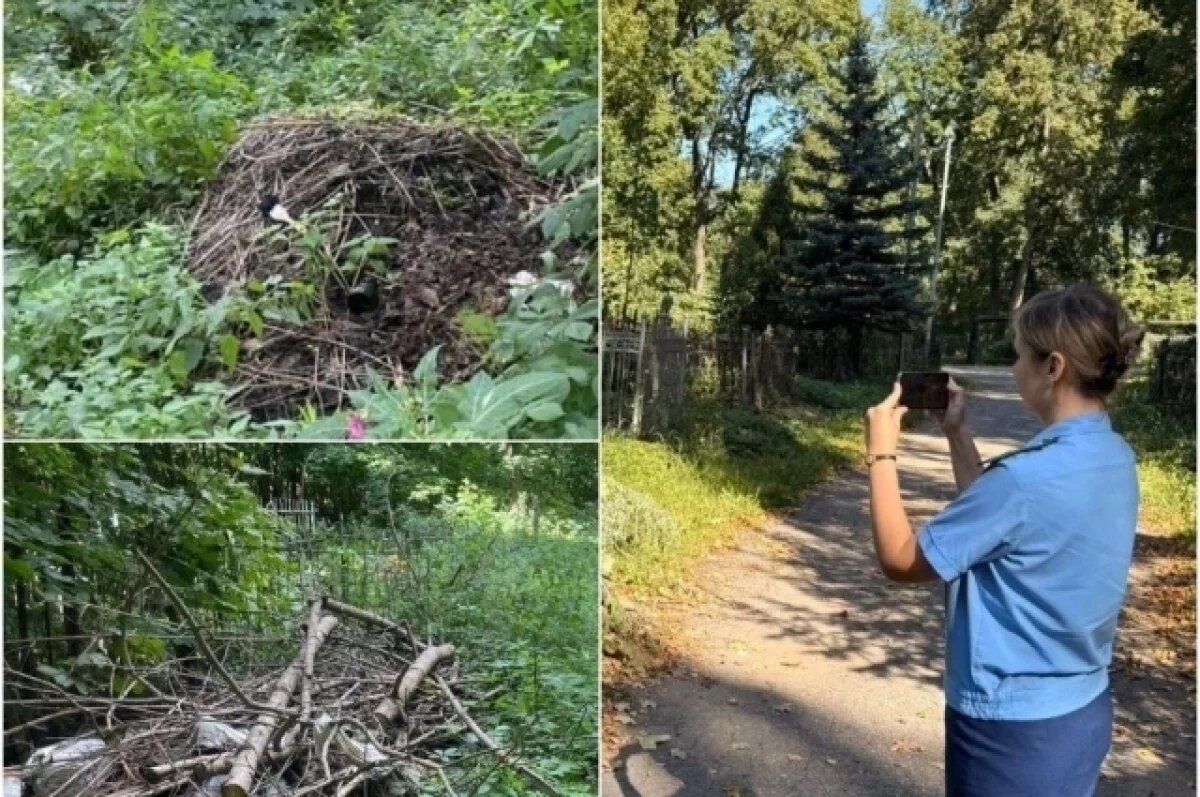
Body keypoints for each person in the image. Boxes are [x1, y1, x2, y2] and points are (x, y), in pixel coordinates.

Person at [863, 284, 1145, 796]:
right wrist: (958, 434)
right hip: (1081, 710)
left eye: (1019, 356)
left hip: (1010, 732)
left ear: (1052, 367)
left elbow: (901, 561)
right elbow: (1004, 530)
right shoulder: (1114, 454)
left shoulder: (1025, 481)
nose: (1016, 368)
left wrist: (881, 455)